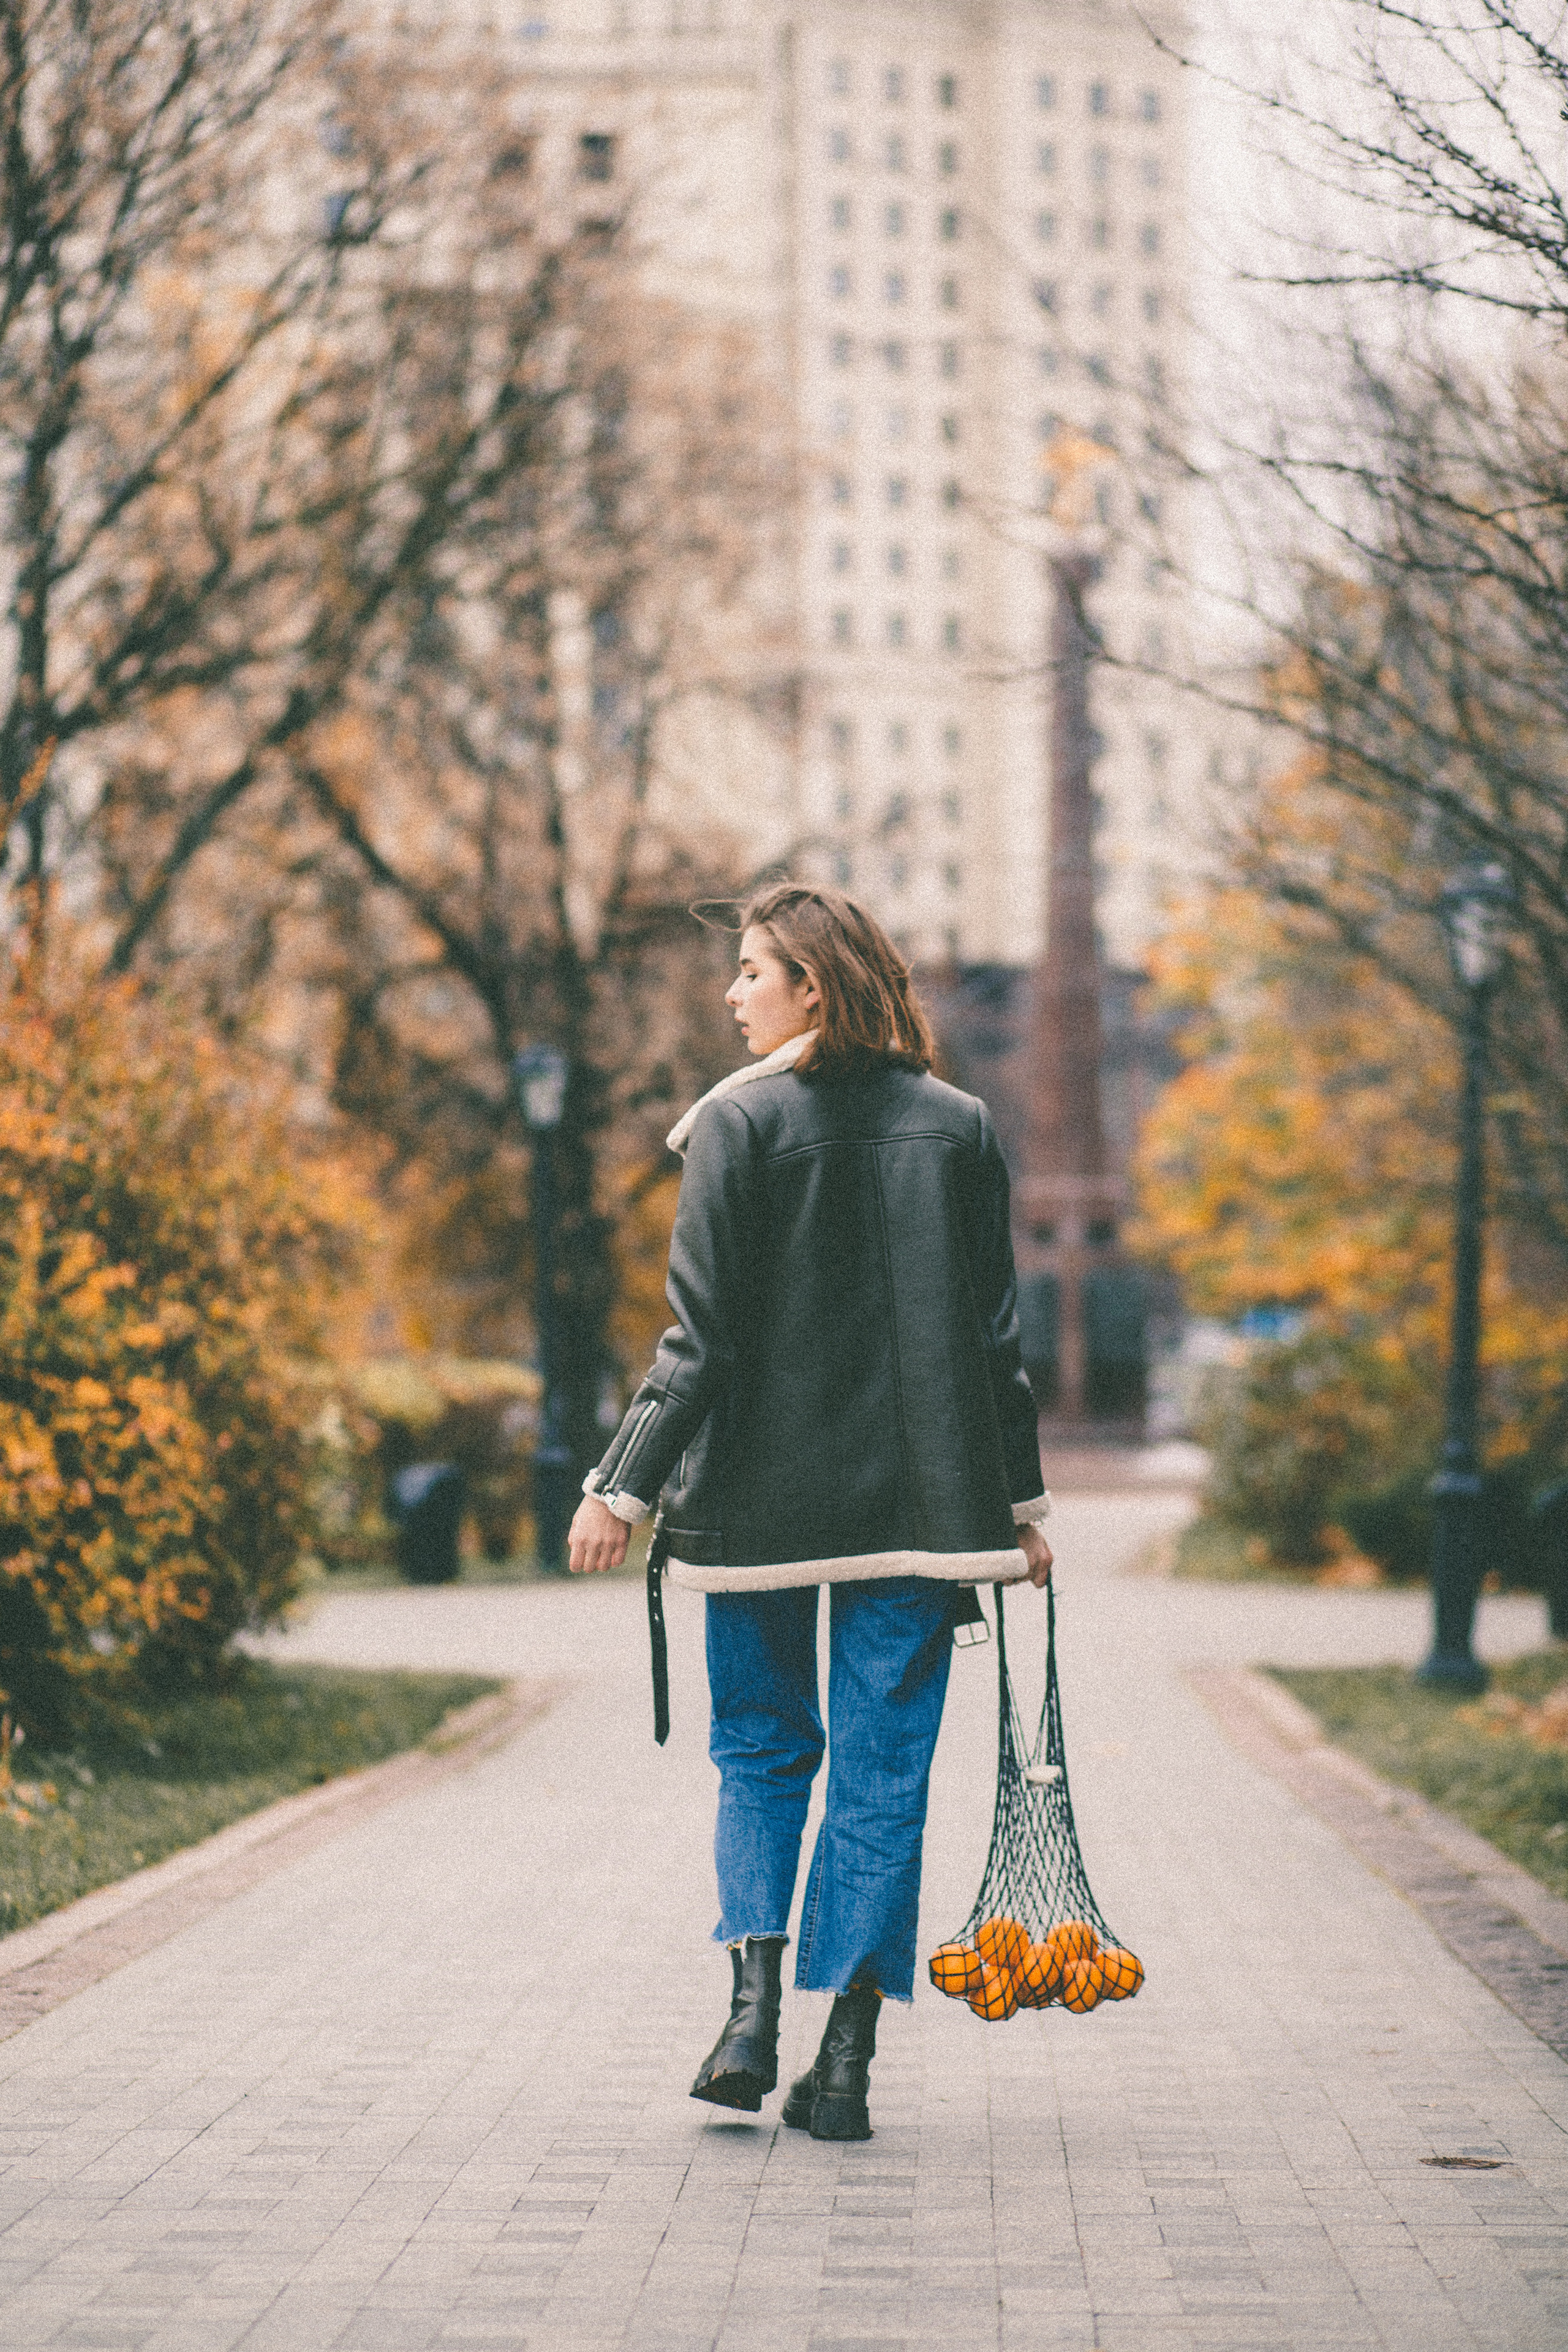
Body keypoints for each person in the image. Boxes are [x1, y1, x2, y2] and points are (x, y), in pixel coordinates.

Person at [567, 882, 1052, 2141]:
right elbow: (996, 1344)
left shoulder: (735, 1123)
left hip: (757, 1510)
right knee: (882, 1778)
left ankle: (747, 2020)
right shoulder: (959, 1128)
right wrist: (1017, 1507)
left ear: (812, 989)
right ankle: (842, 2066)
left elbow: (699, 1339)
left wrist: (617, 1484)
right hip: (922, 1507)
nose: (730, 995)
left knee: (762, 1756)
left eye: (749, 973)